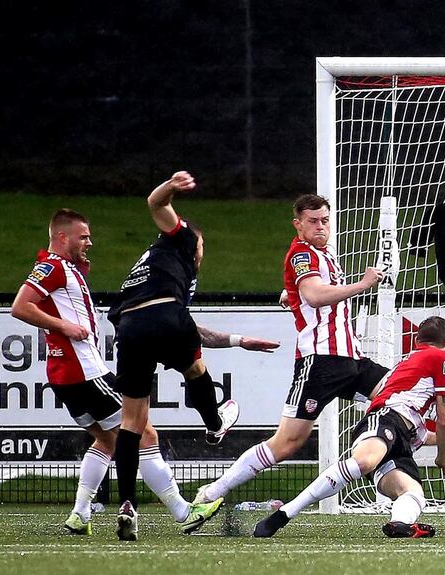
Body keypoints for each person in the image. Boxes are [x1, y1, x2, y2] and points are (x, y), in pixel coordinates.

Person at [195, 194, 445, 505]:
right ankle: (212, 492)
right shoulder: (301, 253)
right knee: (287, 443)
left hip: (352, 360)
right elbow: (313, 295)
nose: (320, 226)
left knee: (411, 396)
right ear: (297, 224)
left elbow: (308, 293)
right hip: (322, 363)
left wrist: (293, 293)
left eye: (325, 219)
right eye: (312, 221)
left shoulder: (324, 255)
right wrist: (361, 284)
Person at [9, 208, 268, 537]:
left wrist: (235, 340)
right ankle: (182, 510)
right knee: (145, 434)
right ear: (62, 237)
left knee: (106, 440)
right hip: (86, 372)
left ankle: (79, 514)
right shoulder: (54, 267)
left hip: (63, 376)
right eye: (83, 236)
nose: (90, 241)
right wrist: (65, 326)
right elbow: (20, 306)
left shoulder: (72, 270)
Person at [108, 171, 280, 541]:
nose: (202, 254)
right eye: (203, 248)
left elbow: (184, 325)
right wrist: (171, 186)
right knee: (195, 368)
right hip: (164, 317)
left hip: (129, 328)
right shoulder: (181, 239)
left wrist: (238, 340)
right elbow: (155, 203)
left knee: (131, 421)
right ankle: (215, 425)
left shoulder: (152, 271)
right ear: (194, 242)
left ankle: (126, 504)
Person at [254, 316, 445, 538]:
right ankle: (285, 513)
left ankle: (399, 523)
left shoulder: (409, 367)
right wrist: (443, 456)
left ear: (417, 341)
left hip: (398, 435)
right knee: (364, 461)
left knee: (413, 493)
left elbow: (416, 427)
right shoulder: (443, 358)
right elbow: (444, 418)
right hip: (386, 419)